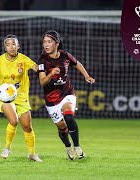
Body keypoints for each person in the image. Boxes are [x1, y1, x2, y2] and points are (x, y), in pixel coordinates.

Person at [38, 30, 95, 160]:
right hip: (51, 100)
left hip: (67, 93)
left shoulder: (64, 55)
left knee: (68, 117)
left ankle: (77, 146)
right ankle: (68, 147)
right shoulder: (42, 60)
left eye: (49, 42)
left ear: (57, 43)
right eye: (44, 42)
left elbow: (77, 64)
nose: (46, 45)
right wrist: (51, 74)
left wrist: (86, 76)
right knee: (62, 129)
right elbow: (42, 82)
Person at [0, 34, 42, 162]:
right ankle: (7, 148)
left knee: (27, 127)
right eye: (8, 45)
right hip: (6, 97)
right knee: (13, 120)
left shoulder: (23, 59)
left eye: (13, 44)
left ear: (18, 46)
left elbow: (37, 68)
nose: (11, 47)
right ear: (5, 48)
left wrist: (48, 67)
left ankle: (32, 154)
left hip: (22, 97)